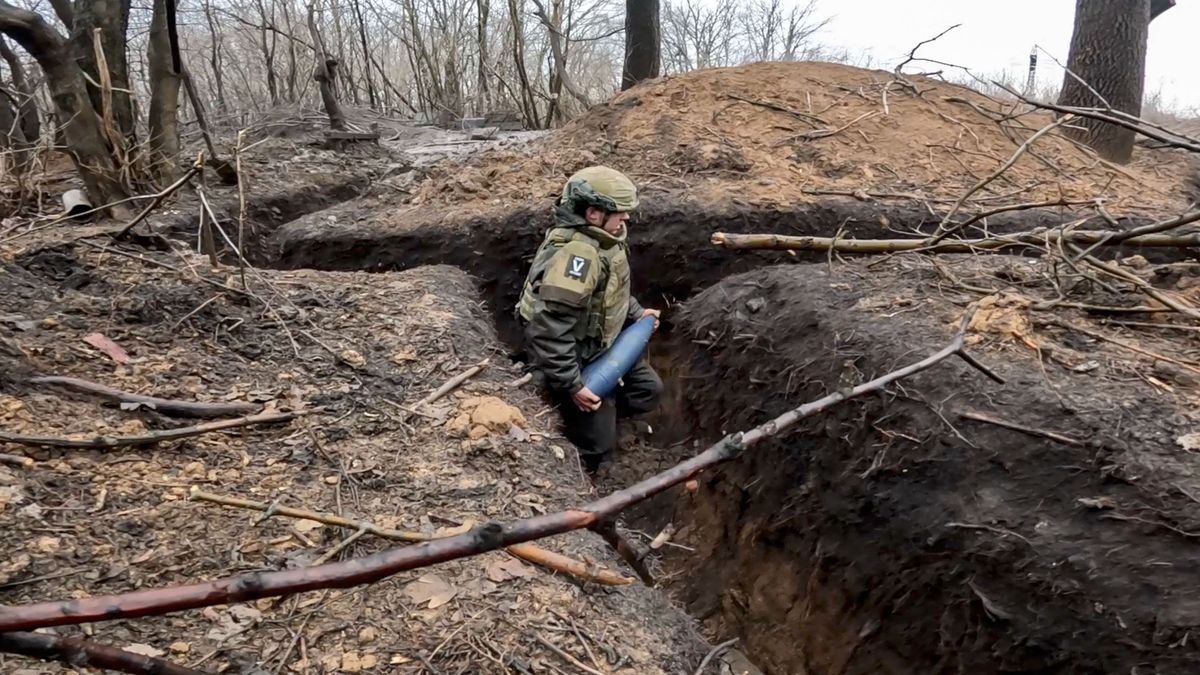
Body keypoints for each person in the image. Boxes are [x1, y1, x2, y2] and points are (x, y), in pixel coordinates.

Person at [516, 166, 663, 472]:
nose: (626, 219)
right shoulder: (577, 257)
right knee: (597, 444)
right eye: (620, 213)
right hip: (571, 355)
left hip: (599, 343)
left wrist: (635, 312)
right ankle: (584, 459)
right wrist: (572, 384)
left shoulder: (604, 241)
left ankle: (603, 416)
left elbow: (608, 292)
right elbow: (549, 328)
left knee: (647, 390)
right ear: (594, 214)